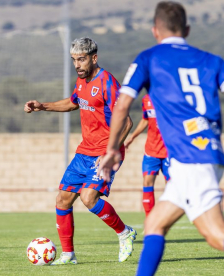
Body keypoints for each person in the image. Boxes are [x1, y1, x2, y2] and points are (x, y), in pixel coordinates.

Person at [98, 2, 224, 275]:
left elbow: (121, 105)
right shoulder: (214, 61)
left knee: (217, 238)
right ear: (187, 29)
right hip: (200, 155)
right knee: (154, 224)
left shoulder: (149, 58)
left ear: (155, 31)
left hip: (192, 159)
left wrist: (111, 148)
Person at [24, 37, 136, 265]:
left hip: (105, 152)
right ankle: (68, 255)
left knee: (88, 197)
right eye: (74, 60)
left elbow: (126, 123)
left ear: (94, 58)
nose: (77, 65)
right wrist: (42, 106)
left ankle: (125, 232)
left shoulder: (108, 83)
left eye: (82, 59)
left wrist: (111, 151)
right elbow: (74, 102)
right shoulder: (81, 80)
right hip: (84, 151)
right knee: (63, 200)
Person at [124, 94, 169, 216]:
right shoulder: (146, 99)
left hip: (170, 150)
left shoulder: (173, 95)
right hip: (151, 150)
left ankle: (168, 216)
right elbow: (145, 119)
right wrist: (132, 137)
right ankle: (150, 219)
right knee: (147, 182)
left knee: (171, 186)